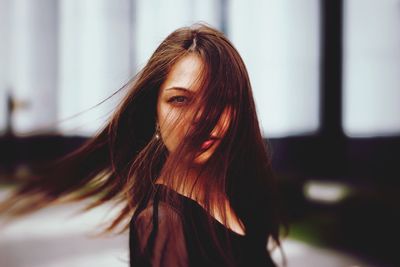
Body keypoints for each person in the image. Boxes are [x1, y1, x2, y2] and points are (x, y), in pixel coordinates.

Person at [0, 23, 284, 266]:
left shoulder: (239, 193)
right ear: (155, 114)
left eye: (220, 99)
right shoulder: (163, 224)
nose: (201, 118)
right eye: (180, 100)